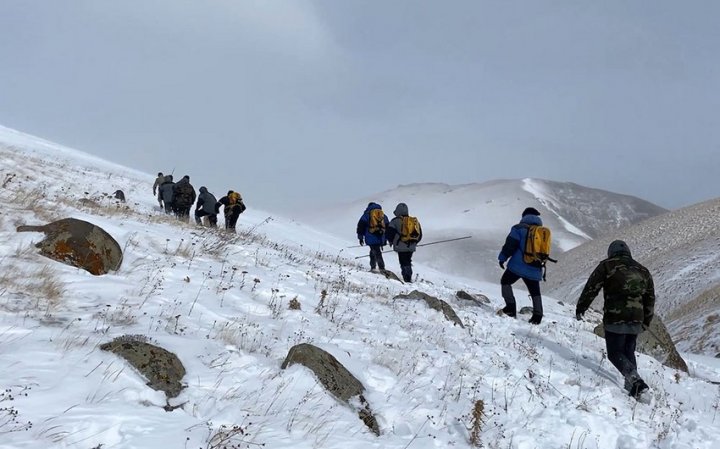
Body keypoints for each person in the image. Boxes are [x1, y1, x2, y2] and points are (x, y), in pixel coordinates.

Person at [575, 240, 655, 398]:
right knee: (628, 351)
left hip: (615, 316)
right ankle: (632, 389)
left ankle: (637, 382)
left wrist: (581, 307)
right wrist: (646, 320)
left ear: (611, 252)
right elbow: (650, 297)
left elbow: (592, 287)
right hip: (636, 318)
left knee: (614, 353)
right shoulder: (643, 270)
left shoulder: (607, 265)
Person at [497, 207, 545, 324]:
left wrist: (502, 258)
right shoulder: (541, 232)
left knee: (505, 282)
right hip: (535, 267)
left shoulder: (518, 228)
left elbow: (510, 246)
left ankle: (510, 308)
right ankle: (537, 316)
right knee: (535, 292)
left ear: (524, 216)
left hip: (518, 266)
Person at [386, 202, 422, 282]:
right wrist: (414, 243)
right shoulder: (414, 221)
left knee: (403, 262)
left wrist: (392, 241)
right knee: (408, 261)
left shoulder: (395, 221)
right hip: (411, 246)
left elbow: (389, 233)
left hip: (400, 246)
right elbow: (420, 234)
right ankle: (408, 277)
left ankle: (407, 278)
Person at [356, 202, 390, 271]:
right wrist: (386, 238)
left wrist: (360, 238)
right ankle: (373, 267)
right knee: (374, 250)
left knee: (376, 251)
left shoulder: (366, 215)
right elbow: (388, 227)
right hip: (381, 237)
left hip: (371, 236)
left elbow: (360, 227)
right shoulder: (383, 215)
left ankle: (381, 267)